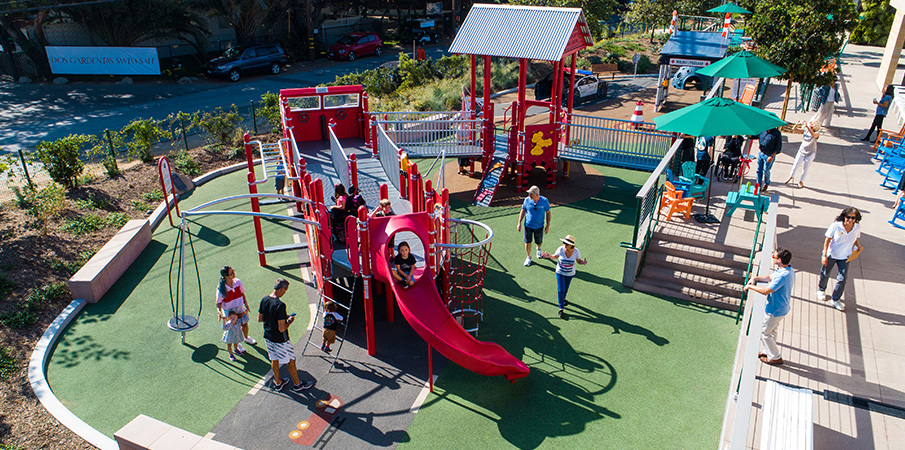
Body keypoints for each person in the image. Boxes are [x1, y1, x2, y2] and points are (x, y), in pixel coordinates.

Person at [258, 278, 314, 392]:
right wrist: (289, 321)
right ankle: (298, 384)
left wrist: (280, 318)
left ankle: (278, 382)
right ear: (282, 289)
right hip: (280, 339)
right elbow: (282, 328)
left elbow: (260, 318)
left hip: (268, 336)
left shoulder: (264, 299)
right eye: (285, 290)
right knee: (291, 360)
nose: (285, 293)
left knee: (274, 359)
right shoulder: (280, 305)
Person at [744, 247, 795, 366]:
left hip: (775, 309)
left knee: (765, 332)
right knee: (772, 331)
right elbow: (769, 277)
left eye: (774, 257)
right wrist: (755, 278)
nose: (772, 258)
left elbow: (766, 291)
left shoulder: (782, 275)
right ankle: (768, 352)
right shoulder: (786, 270)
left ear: (780, 260)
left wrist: (750, 287)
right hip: (781, 308)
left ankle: (775, 357)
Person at [818, 207, 863, 311]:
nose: (850, 220)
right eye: (848, 217)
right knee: (825, 273)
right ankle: (821, 289)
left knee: (842, 278)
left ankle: (835, 299)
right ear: (844, 216)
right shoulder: (836, 226)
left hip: (845, 256)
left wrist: (858, 246)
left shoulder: (857, 227)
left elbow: (855, 237)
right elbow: (827, 240)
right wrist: (824, 255)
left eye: (853, 218)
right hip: (832, 254)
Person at [541, 235, 587, 318]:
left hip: (570, 274)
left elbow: (578, 260)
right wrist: (549, 256)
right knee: (561, 290)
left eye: (566, 243)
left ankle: (564, 298)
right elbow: (555, 256)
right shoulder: (560, 249)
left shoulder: (576, 251)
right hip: (560, 272)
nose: (564, 244)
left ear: (571, 245)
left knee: (565, 289)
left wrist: (582, 262)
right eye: (564, 242)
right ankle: (560, 308)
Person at [215, 266, 256, 353]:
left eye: (233, 271)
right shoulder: (221, 288)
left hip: (239, 307)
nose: (234, 273)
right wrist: (219, 312)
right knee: (233, 329)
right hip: (229, 311)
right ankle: (237, 344)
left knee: (244, 323)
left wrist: (246, 304)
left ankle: (246, 337)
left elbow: (242, 294)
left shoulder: (237, 282)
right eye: (231, 273)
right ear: (226, 276)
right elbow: (218, 303)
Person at [516, 185, 551, 267]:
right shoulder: (527, 200)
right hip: (528, 225)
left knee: (539, 241)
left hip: (539, 226)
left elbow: (548, 213)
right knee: (528, 242)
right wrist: (519, 223)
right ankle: (528, 257)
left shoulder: (544, 201)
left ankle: (538, 249)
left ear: (536, 194)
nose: (529, 195)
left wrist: (547, 226)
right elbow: (523, 210)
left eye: (531, 194)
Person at [784, 120, 821, 188]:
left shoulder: (816, 133)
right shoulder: (805, 130)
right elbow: (794, 130)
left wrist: (807, 126)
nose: (810, 124)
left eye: (811, 124)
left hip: (810, 153)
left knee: (805, 168)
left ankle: (801, 181)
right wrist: (797, 124)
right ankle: (791, 176)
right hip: (802, 151)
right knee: (795, 165)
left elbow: (813, 135)